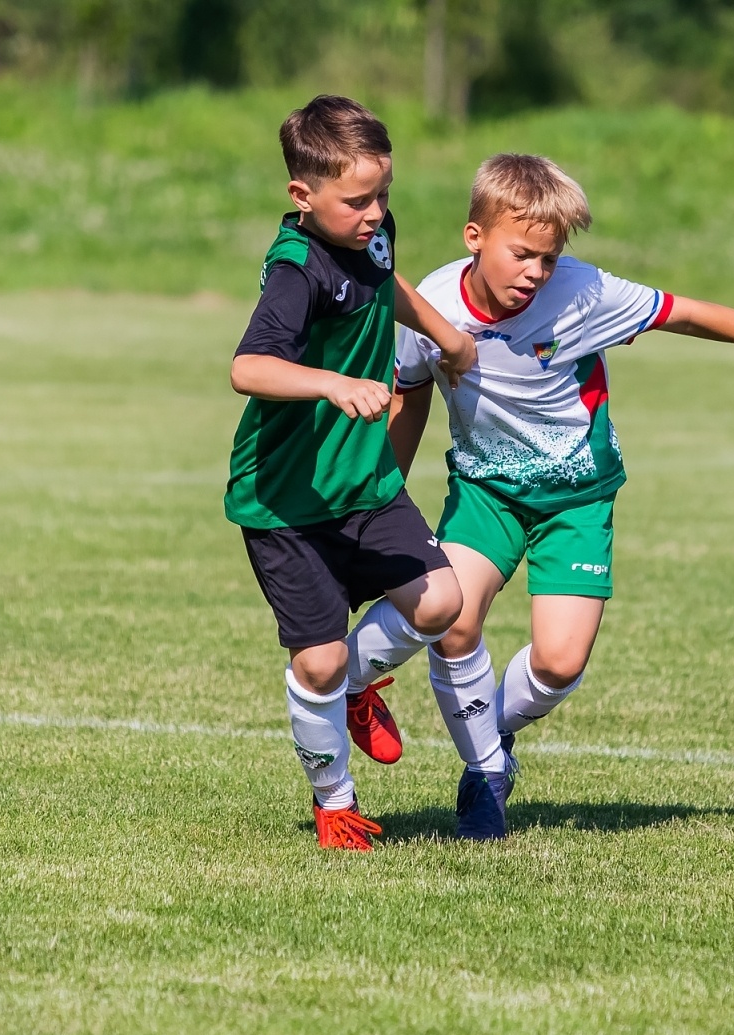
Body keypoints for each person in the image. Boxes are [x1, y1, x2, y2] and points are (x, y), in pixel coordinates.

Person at [389, 153, 734, 840]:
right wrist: (388, 499)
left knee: (558, 662)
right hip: (486, 490)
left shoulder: (582, 293)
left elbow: (685, 313)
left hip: (577, 498)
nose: (535, 273)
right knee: (452, 619)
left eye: (548, 260)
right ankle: (487, 777)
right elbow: (412, 389)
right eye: (522, 255)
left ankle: (493, 727)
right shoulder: (428, 302)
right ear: (474, 236)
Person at [226, 96, 479, 851]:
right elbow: (247, 367)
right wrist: (332, 383)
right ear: (302, 197)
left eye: (383, 195)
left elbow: (384, 282)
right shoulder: (295, 270)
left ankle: (359, 686)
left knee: (440, 601)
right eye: (357, 200)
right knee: (320, 655)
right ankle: (334, 800)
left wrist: (442, 332)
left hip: (364, 483)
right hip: (285, 501)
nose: (374, 213)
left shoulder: (371, 235)